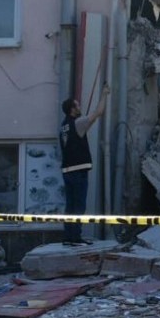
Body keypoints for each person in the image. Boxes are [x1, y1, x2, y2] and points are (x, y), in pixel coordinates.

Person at [60, 85, 109, 246]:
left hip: (67, 170)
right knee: (79, 206)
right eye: (77, 105)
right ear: (72, 109)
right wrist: (104, 94)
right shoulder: (78, 123)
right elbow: (98, 113)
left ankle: (69, 237)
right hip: (78, 171)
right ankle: (75, 238)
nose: (79, 107)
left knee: (70, 206)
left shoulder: (64, 126)